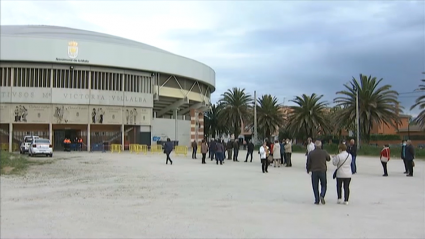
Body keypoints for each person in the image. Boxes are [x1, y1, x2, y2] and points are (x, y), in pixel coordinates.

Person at [306, 140, 331, 205]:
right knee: (324, 184)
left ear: (314, 146)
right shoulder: (324, 152)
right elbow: (328, 159)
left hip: (314, 171)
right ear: (321, 146)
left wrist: (308, 169)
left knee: (315, 186)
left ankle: (317, 200)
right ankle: (322, 195)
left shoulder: (311, 153)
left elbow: (308, 162)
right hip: (322, 170)